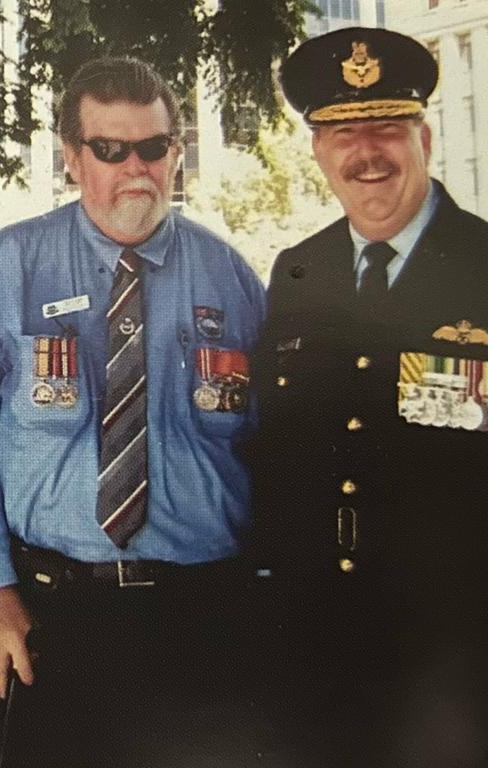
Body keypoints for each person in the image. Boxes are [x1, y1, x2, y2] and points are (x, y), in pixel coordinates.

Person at [0, 56, 266, 767]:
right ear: (73, 158)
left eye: (152, 147)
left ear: (176, 152)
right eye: (109, 150)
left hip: (205, 614)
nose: (133, 168)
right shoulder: (13, 266)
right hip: (55, 616)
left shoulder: (230, 278)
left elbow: (271, 445)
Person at [249, 26, 488, 765]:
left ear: (423, 137)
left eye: (385, 127)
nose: (366, 152)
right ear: (318, 150)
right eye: (341, 132)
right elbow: (279, 447)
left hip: (453, 654)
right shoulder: (299, 271)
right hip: (318, 645)